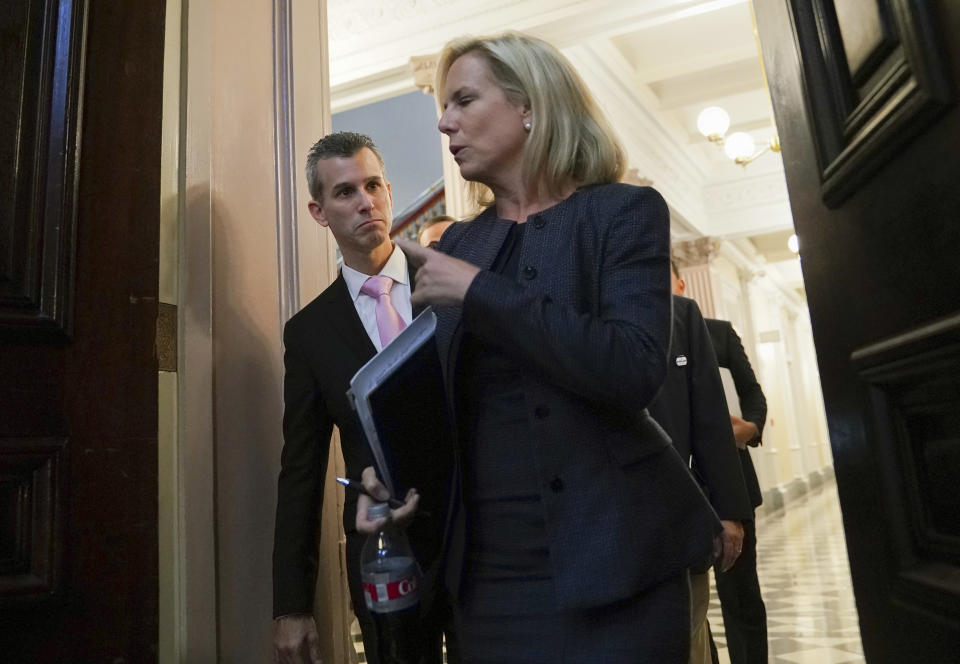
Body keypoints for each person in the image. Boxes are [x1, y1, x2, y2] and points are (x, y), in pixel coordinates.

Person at [369, 32, 721, 663]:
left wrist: (481, 294)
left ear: (529, 103)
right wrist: (392, 486)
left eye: (463, 100)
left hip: (621, 565)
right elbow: (438, 408)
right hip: (488, 578)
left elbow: (632, 368)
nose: (445, 123)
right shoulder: (456, 247)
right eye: (441, 109)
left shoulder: (623, 213)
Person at [272, 131, 453, 664]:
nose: (365, 201)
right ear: (319, 211)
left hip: (478, 535)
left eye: (373, 184)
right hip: (383, 552)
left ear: (389, 191)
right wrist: (291, 605)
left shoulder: (451, 282)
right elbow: (300, 470)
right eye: (345, 191)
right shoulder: (310, 332)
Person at [647, 264, 753, 664]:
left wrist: (729, 511)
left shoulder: (683, 316)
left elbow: (710, 417)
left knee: (688, 640)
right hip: (604, 525)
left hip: (679, 516)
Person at [672, 269, 769, 664]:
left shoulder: (718, 332)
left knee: (740, 594)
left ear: (680, 284)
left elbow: (753, 396)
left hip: (731, 482)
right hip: (679, 484)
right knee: (688, 604)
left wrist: (750, 427)